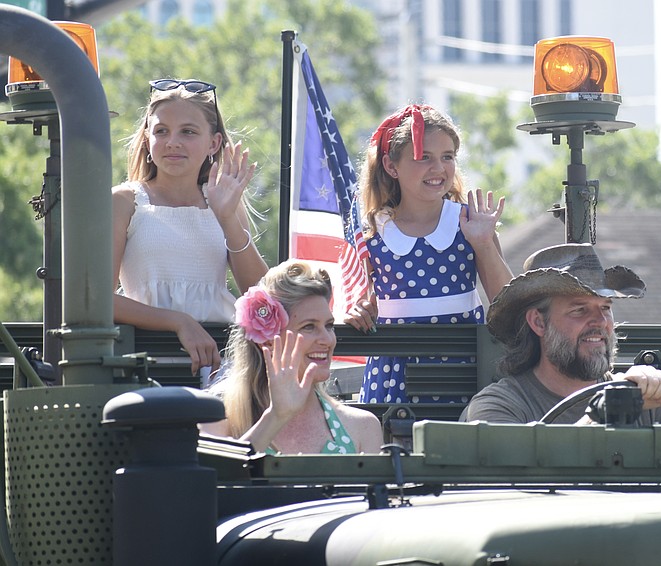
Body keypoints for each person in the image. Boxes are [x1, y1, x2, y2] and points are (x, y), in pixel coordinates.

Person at [345, 104, 513, 404]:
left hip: (464, 376)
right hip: (392, 379)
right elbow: (358, 299)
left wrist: (484, 243)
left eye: (447, 157)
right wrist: (358, 312)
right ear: (391, 166)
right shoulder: (371, 232)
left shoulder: (470, 222)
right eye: (424, 157)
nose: (438, 168)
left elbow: (510, 305)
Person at [112, 78, 269, 377]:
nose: (173, 142)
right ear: (146, 139)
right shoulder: (124, 201)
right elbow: (97, 301)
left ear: (214, 143)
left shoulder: (225, 201)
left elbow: (261, 295)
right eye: (161, 131)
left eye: (188, 131)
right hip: (145, 365)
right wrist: (179, 322)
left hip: (222, 365)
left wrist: (227, 218)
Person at [462, 243, 661, 425]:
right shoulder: (498, 406)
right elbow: (522, 467)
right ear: (538, 322)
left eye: (605, 308)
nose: (600, 322)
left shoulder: (647, 399)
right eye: (579, 310)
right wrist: (608, 411)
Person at [201, 260, 383, 454]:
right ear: (268, 341)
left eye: (329, 325)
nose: (327, 340)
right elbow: (219, 473)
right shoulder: (215, 416)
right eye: (309, 327)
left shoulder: (363, 427)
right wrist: (276, 416)